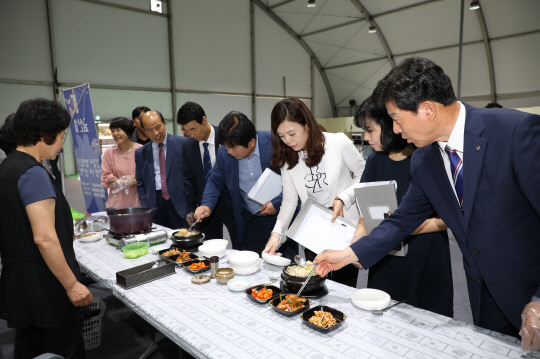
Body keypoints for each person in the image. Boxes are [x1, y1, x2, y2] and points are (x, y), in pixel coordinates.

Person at [314, 57, 540, 352]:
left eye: (396, 118)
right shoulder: (425, 159)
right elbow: (401, 220)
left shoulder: (516, 133)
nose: (394, 130)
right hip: (483, 295)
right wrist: (348, 254)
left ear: (427, 110)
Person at [0, 98, 93, 358]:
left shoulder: (7, 167)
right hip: (46, 287)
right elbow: (44, 239)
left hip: (21, 286)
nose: (63, 145)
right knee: (64, 349)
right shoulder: (33, 173)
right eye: (62, 136)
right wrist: (72, 284)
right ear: (45, 135)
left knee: (31, 348)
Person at [354, 94, 453, 316]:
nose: (366, 137)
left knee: (428, 320)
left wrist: (404, 227)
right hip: (386, 256)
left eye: (370, 130)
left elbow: (447, 219)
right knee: (383, 317)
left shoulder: (426, 157)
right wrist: (355, 245)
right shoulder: (374, 160)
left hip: (425, 255)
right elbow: (365, 211)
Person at [263, 97, 365, 285]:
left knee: (343, 288)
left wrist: (343, 197)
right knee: (314, 286)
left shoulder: (337, 143)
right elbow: (289, 202)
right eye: (282, 136)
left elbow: (364, 175)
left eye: (292, 133)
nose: (288, 141)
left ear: (307, 125)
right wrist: (276, 235)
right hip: (314, 233)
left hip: (344, 230)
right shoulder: (288, 160)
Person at [194, 111, 282, 254]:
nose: (228, 151)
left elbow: (293, 182)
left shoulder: (275, 144)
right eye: (225, 146)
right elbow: (215, 181)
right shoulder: (224, 152)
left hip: (280, 219)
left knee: (284, 265)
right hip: (250, 221)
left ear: (251, 142)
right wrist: (206, 204)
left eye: (232, 148)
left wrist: (277, 202)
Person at [176, 102, 237, 246]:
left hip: (231, 203)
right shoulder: (188, 145)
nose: (192, 134)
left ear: (204, 120)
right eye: (187, 130)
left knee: (239, 244)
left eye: (193, 129)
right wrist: (190, 210)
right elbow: (189, 181)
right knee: (210, 246)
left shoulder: (226, 137)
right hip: (206, 207)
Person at [135, 110, 192, 229]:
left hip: (180, 203)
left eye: (158, 127)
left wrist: (191, 207)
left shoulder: (183, 144)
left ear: (165, 123)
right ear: (144, 131)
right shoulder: (141, 153)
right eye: (150, 130)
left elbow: (192, 177)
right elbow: (140, 183)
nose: (156, 133)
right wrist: (146, 207)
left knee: (185, 239)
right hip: (156, 204)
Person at [101, 116, 142, 209]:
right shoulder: (110, 152)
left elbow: (146, 176)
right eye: (113, 131)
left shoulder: (140, 150)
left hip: (137, 201)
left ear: (128, 131)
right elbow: (106, 176)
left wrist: (134, 182)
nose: (115, 134)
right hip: (116, 202)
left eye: (118, 130)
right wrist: (121, 182)